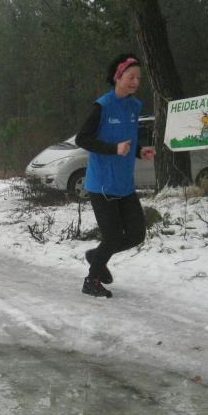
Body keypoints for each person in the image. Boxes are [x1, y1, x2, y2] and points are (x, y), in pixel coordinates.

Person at [75, 54, 155, 298]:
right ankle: (91, 280)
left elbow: (129, 138)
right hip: (102, 184)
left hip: (124, 184)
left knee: (136, 234)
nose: (135, 82)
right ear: (118, 77)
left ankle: (96, 256)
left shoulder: (134, 106)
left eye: (138, 78)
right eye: (131, 77)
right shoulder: (103, 106)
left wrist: (140, 151)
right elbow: (82, 139)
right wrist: (113, 149)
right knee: (112, 236)